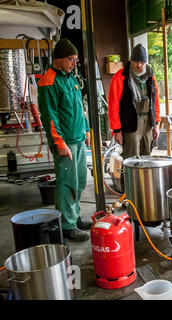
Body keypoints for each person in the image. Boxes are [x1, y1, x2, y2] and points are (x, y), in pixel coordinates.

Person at [38, 38, 91, 241]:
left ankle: (74, 216)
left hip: (77, 137)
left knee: (80, 181)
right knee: (67, 183)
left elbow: (79, 107)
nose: (73, 63)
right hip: (65, 142)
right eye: (71, 59)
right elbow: (50, 117)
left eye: (75, 60)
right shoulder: (49, 81)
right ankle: (67, 226)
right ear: (59, 59)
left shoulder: (70, 78)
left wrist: (86, 131)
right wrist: (59, 143)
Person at [108, 44, 160, 160]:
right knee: (131, 160)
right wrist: (116, 130)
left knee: (147, 159)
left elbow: (155, 103)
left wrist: (156, 124)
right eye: (136, 62)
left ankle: (145, 179)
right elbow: (113, 106)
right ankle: (127, 179)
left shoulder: (151, 78)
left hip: (147, 125)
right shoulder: (120, 77)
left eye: (142, 62)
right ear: (131, 61)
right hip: (130, 126)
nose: (139, 65)